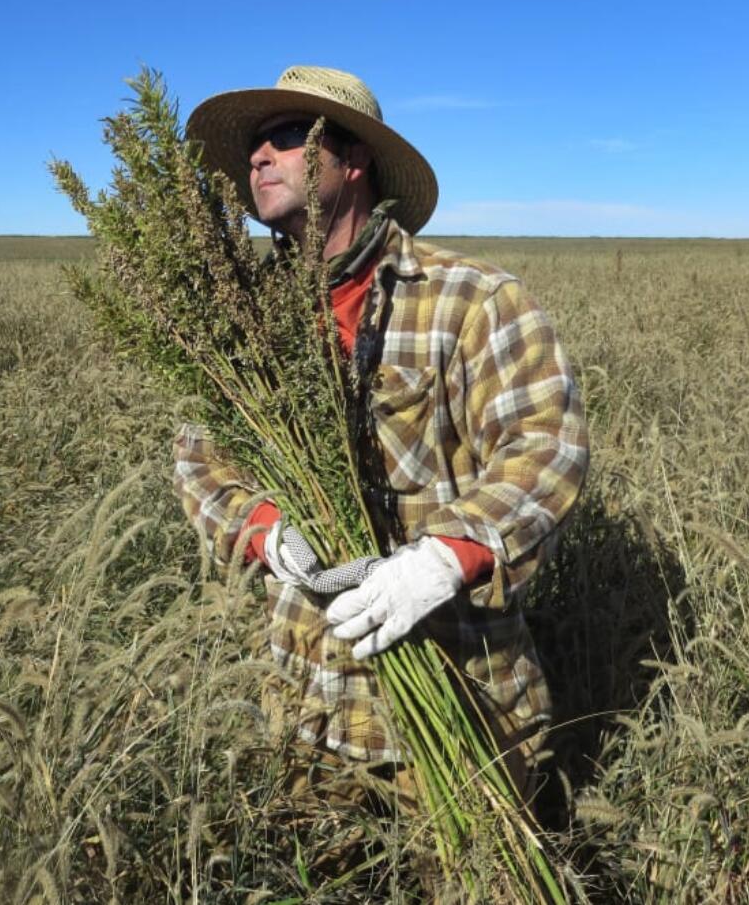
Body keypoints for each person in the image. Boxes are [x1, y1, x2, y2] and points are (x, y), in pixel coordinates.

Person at [173, 65, 589, 806]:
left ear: (354, 159)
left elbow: (546, 446)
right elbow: (199, 457)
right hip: (305, 701)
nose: (260, 156)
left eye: (289, 136)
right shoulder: (242, 323)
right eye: (255, 143)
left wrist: (446, 556)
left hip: (461, 709)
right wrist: (263, 531)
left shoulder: (472, 301)